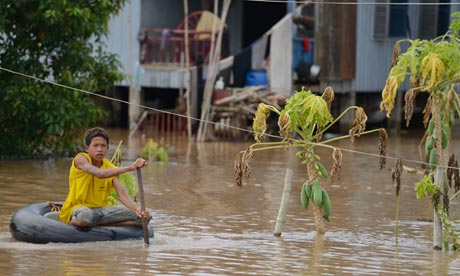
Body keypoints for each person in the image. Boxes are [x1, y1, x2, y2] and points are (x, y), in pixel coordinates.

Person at [59, 127, 150, 227]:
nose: (99, 149)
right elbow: (99, 173)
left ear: (107, 148)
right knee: (85, 215)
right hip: (80, 208)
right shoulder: (81, 159)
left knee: (145, 217)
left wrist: (137, 210)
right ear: (87, 148)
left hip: (102, 209)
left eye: (103, 146)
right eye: (95, 145)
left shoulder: (110, 168)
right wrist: (131, 167)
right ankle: (74, 223)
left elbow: (122, 194)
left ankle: (99, 225)